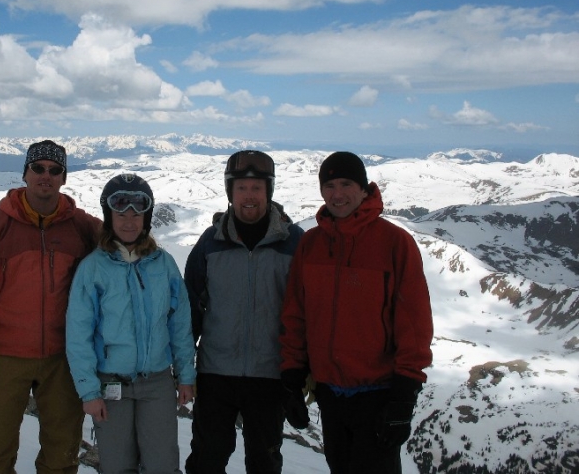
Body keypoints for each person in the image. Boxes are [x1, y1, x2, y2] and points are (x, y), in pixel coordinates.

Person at [280, 151, 434, 474]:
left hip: (377, 397)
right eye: (330, 185)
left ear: (364, 189)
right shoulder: (311, 245)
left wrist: (404, 396)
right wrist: (292, 377)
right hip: (330, 397)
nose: (337, 194)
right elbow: (296, 316)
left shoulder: (395, 244)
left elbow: (414, 325)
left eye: (346, 184)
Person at [0, 139, 102, 474]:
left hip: (64, 357)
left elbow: (123, 246)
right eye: (38, 168)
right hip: (6, 354)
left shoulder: (81, 226)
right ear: (25, 173)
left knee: (62, 454)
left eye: (55, 170)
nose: (45, 175)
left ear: (64, 178)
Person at [66, 173, 196, 474]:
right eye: (120, 213)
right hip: (111, 383)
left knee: (162, 464)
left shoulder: (163, 264)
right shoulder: (93, 269)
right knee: (117, 465)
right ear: (108, 216)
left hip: (157, 382)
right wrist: (89, 392)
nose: (129, 221)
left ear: (146, 219)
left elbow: (179, 323)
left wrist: (186, 374)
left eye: (137, 214)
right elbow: (78, 334)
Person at [184, 150, 305, 474]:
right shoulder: (211, 243)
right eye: (241, 188)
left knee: (264, 463)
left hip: (269, 375)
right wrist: (182, 367)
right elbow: (189, 309)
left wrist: (302, 371)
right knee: (206, 460)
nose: (249, 196)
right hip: (215, 374)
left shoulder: (293, 243)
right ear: (230, 192)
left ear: (269, 191)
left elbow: (306, 312)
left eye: (256, 188)